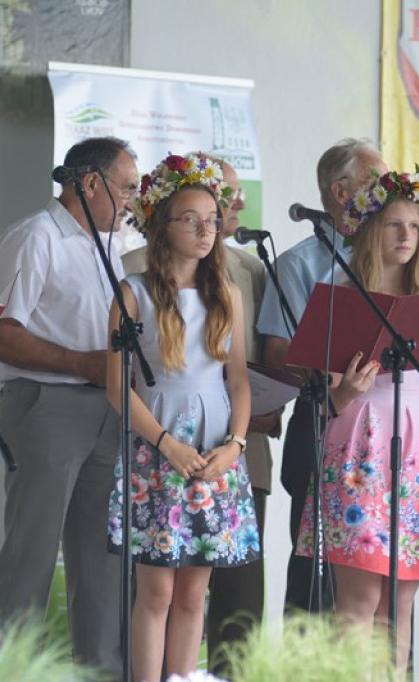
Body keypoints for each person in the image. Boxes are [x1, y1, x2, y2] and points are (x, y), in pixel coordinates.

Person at [295, 168, 419, 669]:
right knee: (358, 602)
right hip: (359, 448)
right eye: (394, 225)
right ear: (371, 229)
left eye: (414, 226)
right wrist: (345, 390)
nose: (406, 237)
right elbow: (323, 396)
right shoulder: (338, 302)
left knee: (400, 602)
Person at [0, 136, 139, 678]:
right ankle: (5, 672)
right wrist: (81, 364)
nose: (134, 202)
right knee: (31, 555)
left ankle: (101, 672)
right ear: (90, 183)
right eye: (128, 189)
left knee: (102, 565)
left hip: (107, 411)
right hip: (46, 405)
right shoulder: (35, 236)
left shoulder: (108, 244)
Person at [105, 152, 258, 682]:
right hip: (159, 445)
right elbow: (116, 385)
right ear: (161, 224)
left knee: (196, 591)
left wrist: (236, 443)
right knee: (157, 590)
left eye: (212, 220)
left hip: (217, 449)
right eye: (190, 219)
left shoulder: (229, 296)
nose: (205, 230)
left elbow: (237, 379)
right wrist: (166, 443)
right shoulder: (133, 293)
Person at [255, 138, 387, 613]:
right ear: (340, 191)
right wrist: (332, 364)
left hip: (387, 424)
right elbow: (275, 351)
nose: (386, 192)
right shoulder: (298, 264)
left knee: (383, 574)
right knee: (317, 572)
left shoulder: (397, 260)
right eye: (376, 182)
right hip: (322, 415)